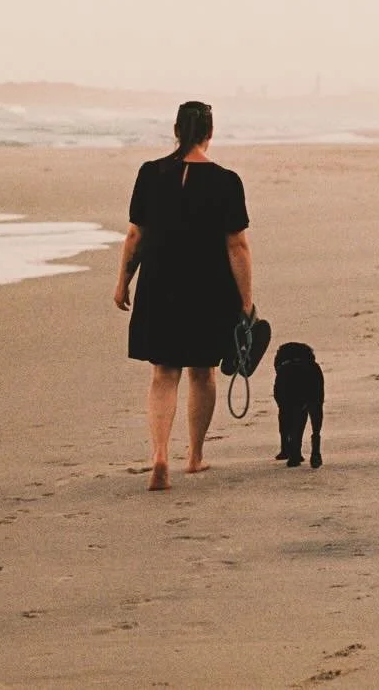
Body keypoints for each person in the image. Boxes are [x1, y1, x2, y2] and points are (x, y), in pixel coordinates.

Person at [114, 101, 252, 491]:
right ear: (210, 133)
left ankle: (159, 455)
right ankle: (194, 456)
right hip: (209, 287)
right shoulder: (227, 181)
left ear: (176, 130)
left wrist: (123, 282)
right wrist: (246, 302)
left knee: (163, 374)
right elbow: (237, 246)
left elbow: (135, 236)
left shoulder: (150, 173)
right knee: (202, 372)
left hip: (159, 283)